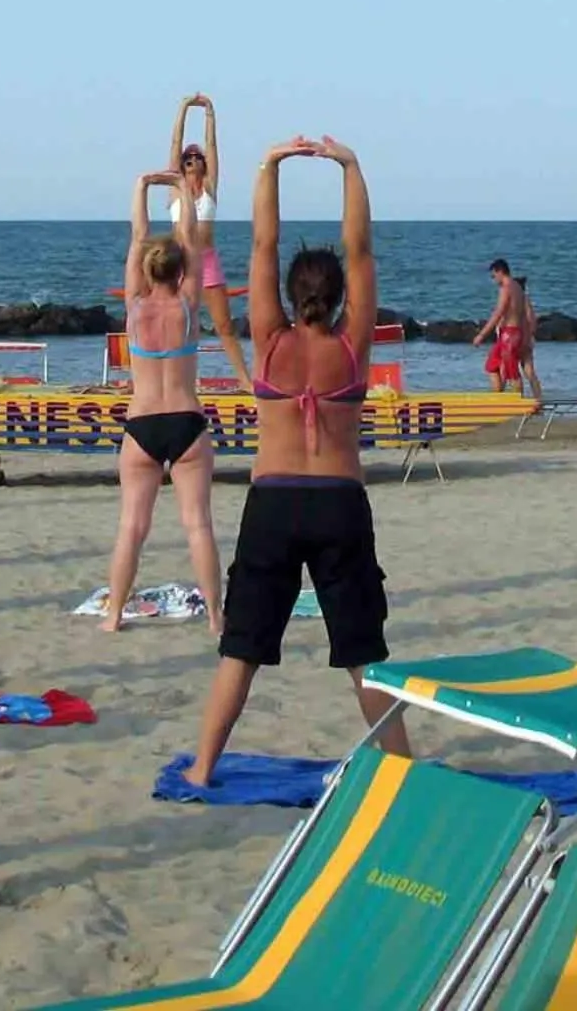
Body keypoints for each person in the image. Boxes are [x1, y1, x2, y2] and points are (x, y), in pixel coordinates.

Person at [183, 135, 410, 787]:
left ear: (291, 293)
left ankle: (202, 767)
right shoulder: (352, 344)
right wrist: (350, 166)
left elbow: (260, 244)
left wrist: (269, 164)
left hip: (274, 503)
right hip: (338, 502)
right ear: (338, 296)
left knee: (243, 650)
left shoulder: (270, 341)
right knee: (365, 654)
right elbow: (361, 249)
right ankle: (404, 771)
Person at [103, 169, 222, 634]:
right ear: (179, 272)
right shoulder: (189, 305)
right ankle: (216, 616)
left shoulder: (134, 306)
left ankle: (114, 617)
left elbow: (138, 237)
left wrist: (142, 186)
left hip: (144, 424)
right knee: (199, 526)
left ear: (149, 270)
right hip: (188, 422)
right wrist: (180, 190)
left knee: (132, 528)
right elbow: (190, 239)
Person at [169, 93, 251, 391]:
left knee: (225, 326)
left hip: (207, 261)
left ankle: (245, 380)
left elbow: (213, 145)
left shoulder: (210, 188)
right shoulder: (175, 190)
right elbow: (175, 143)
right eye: (187, 159)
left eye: (197, 158)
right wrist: (182, 108)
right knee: (177, 326)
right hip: (179, 262)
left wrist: (209, 113)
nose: (192, 160)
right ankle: (174, 382)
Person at [473, 258, 528, 392]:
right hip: (514, 332)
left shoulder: (506, 288)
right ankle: (497, 396)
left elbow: (498, 312)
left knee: (512, 371)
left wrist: (482, 335)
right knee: (492, 366)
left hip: (509, 334)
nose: (494, 280)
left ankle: (519, 402)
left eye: (494, 276)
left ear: (500, 272)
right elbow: (522, 314)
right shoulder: (518, 287)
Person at [514, 275, 544, 404]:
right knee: (529, 371)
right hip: (527, 339)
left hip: (517, 339)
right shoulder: (526, 299)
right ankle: (538, 400)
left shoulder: (517, 300)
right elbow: (532, 321)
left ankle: (518, 400)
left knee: (513, 372)